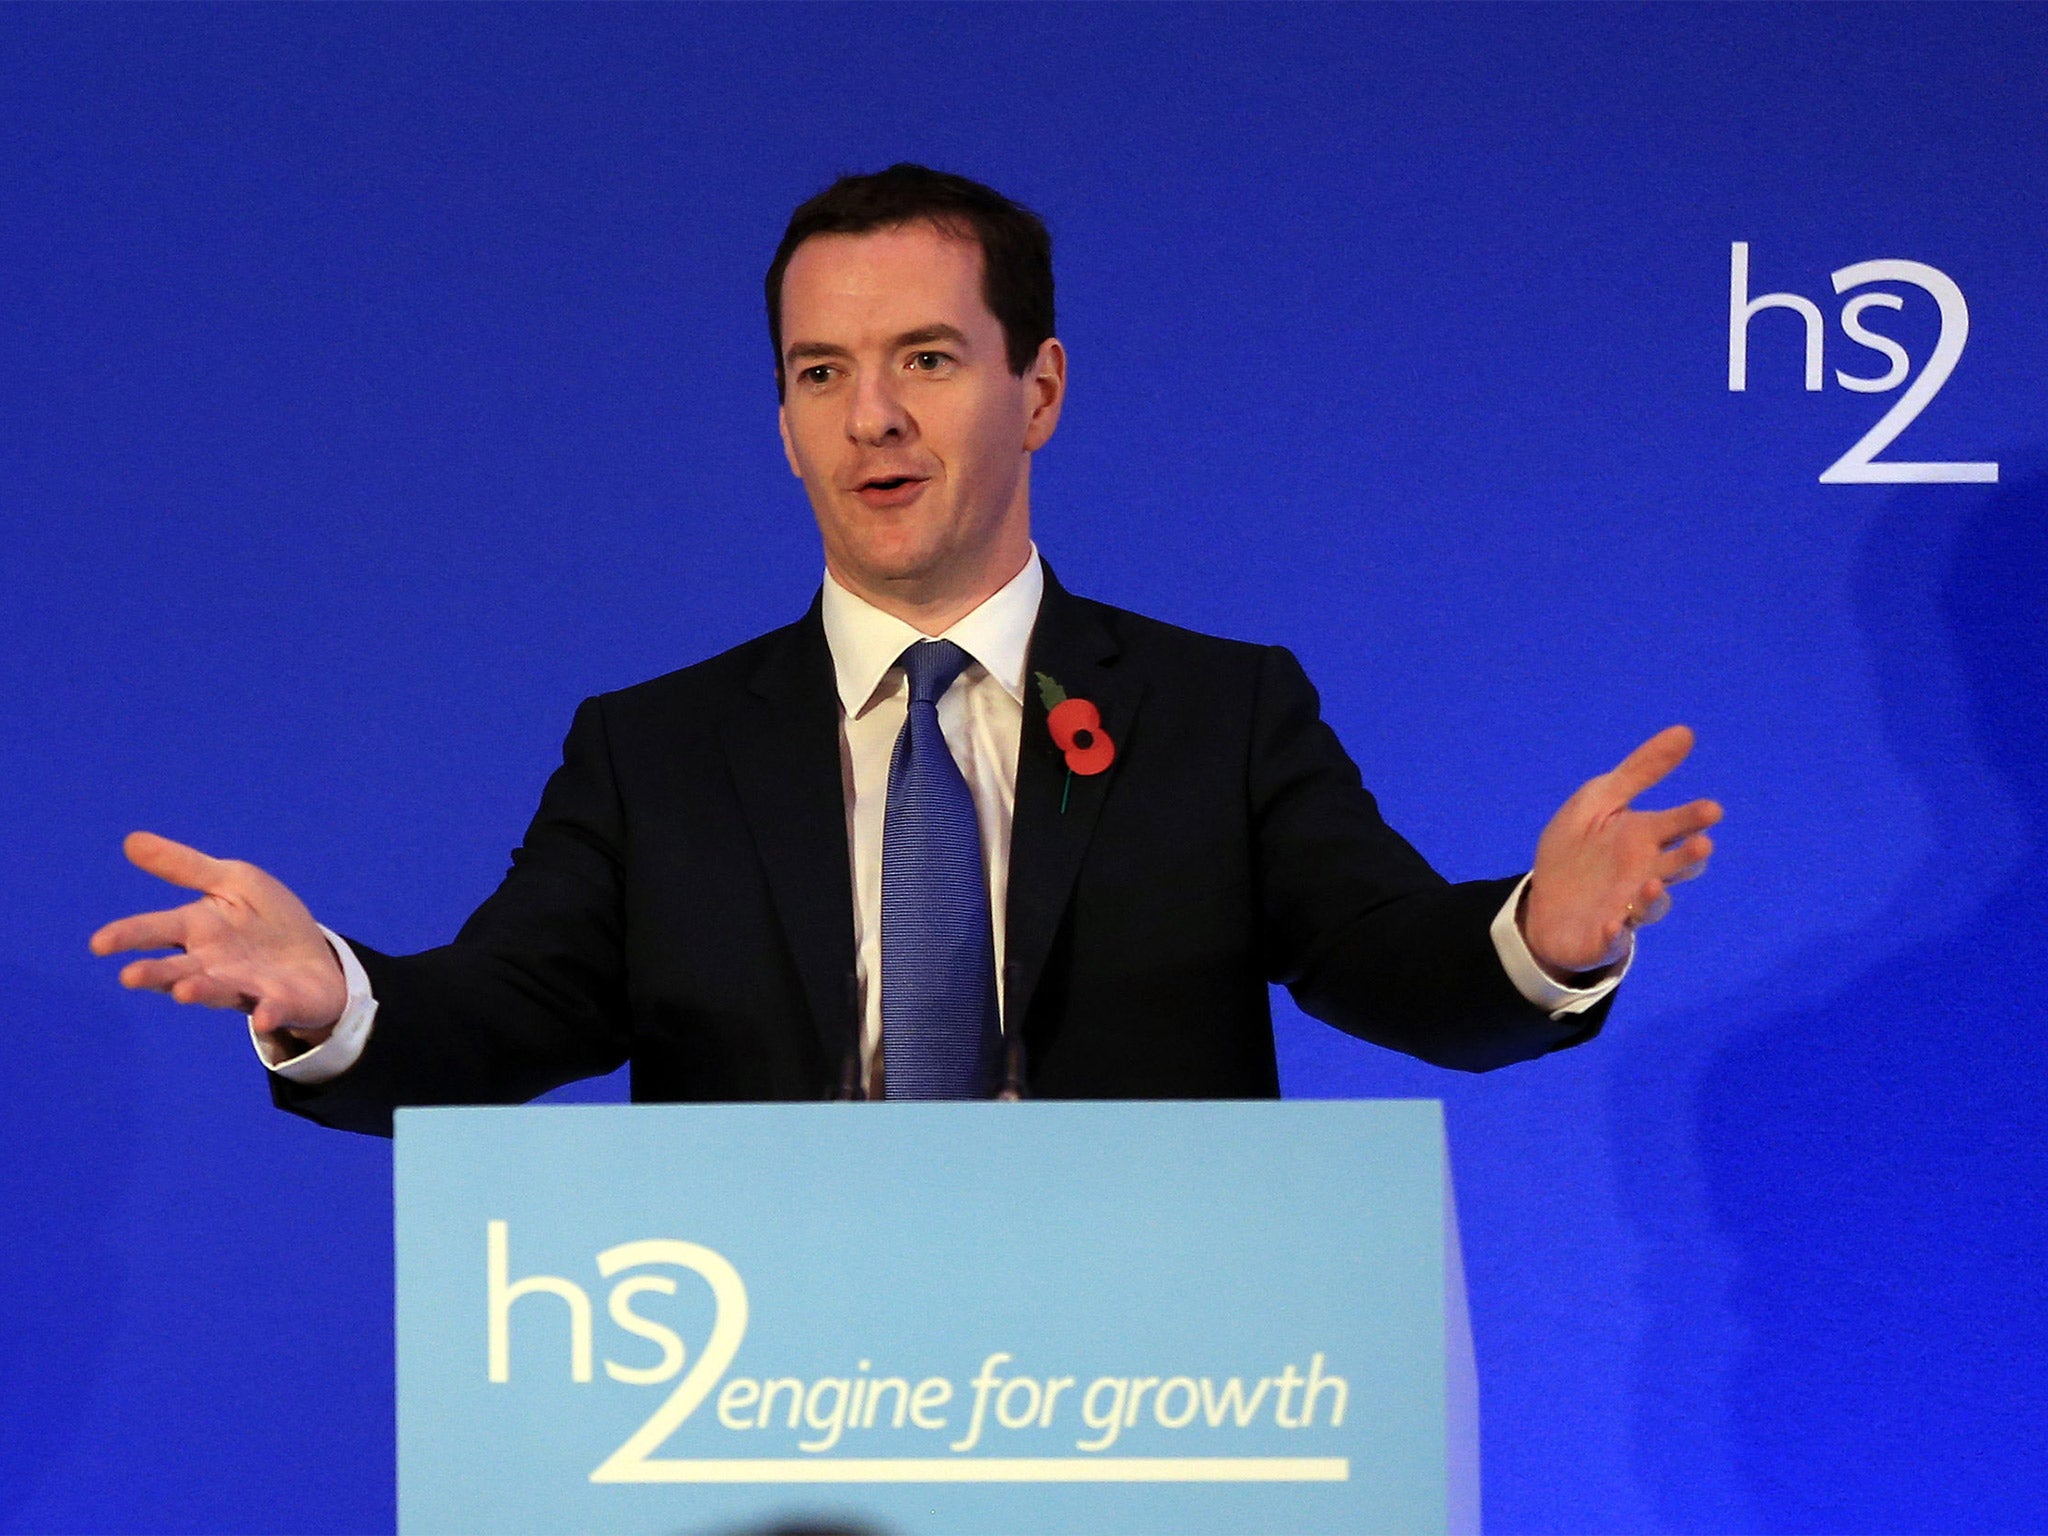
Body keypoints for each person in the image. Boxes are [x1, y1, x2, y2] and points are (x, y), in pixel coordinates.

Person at [90, 165, 1719, 1135]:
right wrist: (333, 1000)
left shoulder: (1218, 715)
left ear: (1044, 390)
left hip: (1145, 1397)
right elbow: (494, 1025)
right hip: (775, 1406)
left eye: (927, 357)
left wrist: (1546, 935)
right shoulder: (656, 756)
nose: (869, 415)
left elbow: (1403, 970)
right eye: (819, 372)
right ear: (784, 423)